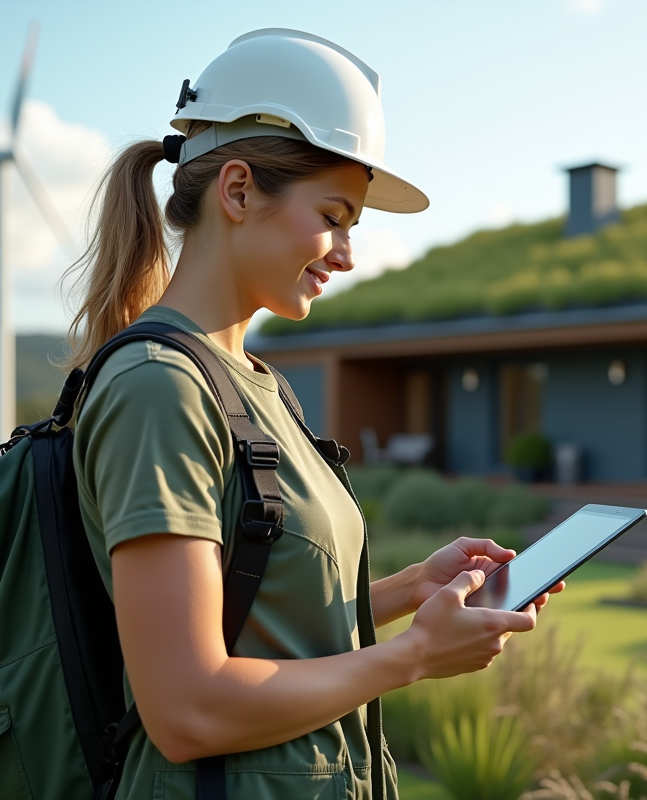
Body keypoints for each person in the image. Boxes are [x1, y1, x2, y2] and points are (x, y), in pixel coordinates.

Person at [65, 29, 561, 799]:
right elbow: (186, 710)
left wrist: (411, 591)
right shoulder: (160, 388)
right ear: (237, 192)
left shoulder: (254, 384)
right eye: (334, 215)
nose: (347, 253)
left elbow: (248, 610)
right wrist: (412, 658)